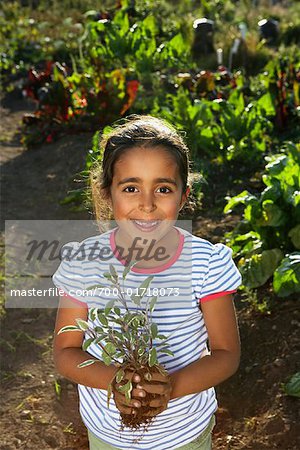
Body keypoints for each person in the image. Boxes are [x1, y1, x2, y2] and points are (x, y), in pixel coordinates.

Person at [52, 115, 242, 450]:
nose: (147, 204)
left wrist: (170, 387)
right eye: (130, 187)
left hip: (184, 435)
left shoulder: (205, 264)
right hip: (108, 434)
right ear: (107, 194)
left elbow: (226, 354)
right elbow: (66, 351)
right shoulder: (83, 263)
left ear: (183, 196)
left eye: (164, 188)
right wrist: (116, 382)